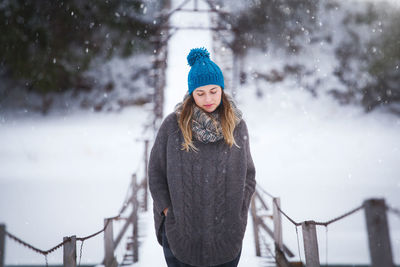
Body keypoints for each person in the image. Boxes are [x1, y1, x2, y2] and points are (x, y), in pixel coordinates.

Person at [148, 47, 256, 267]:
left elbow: (249, 176)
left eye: (214, 91)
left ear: (222, 90)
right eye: (200, 93)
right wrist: (169, 211)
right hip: (180, 235)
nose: (208, 98)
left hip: (227, 236)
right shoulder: (172, 126)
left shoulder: (237, 126)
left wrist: (240, 211)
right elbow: (155, 173)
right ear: (191, 94)